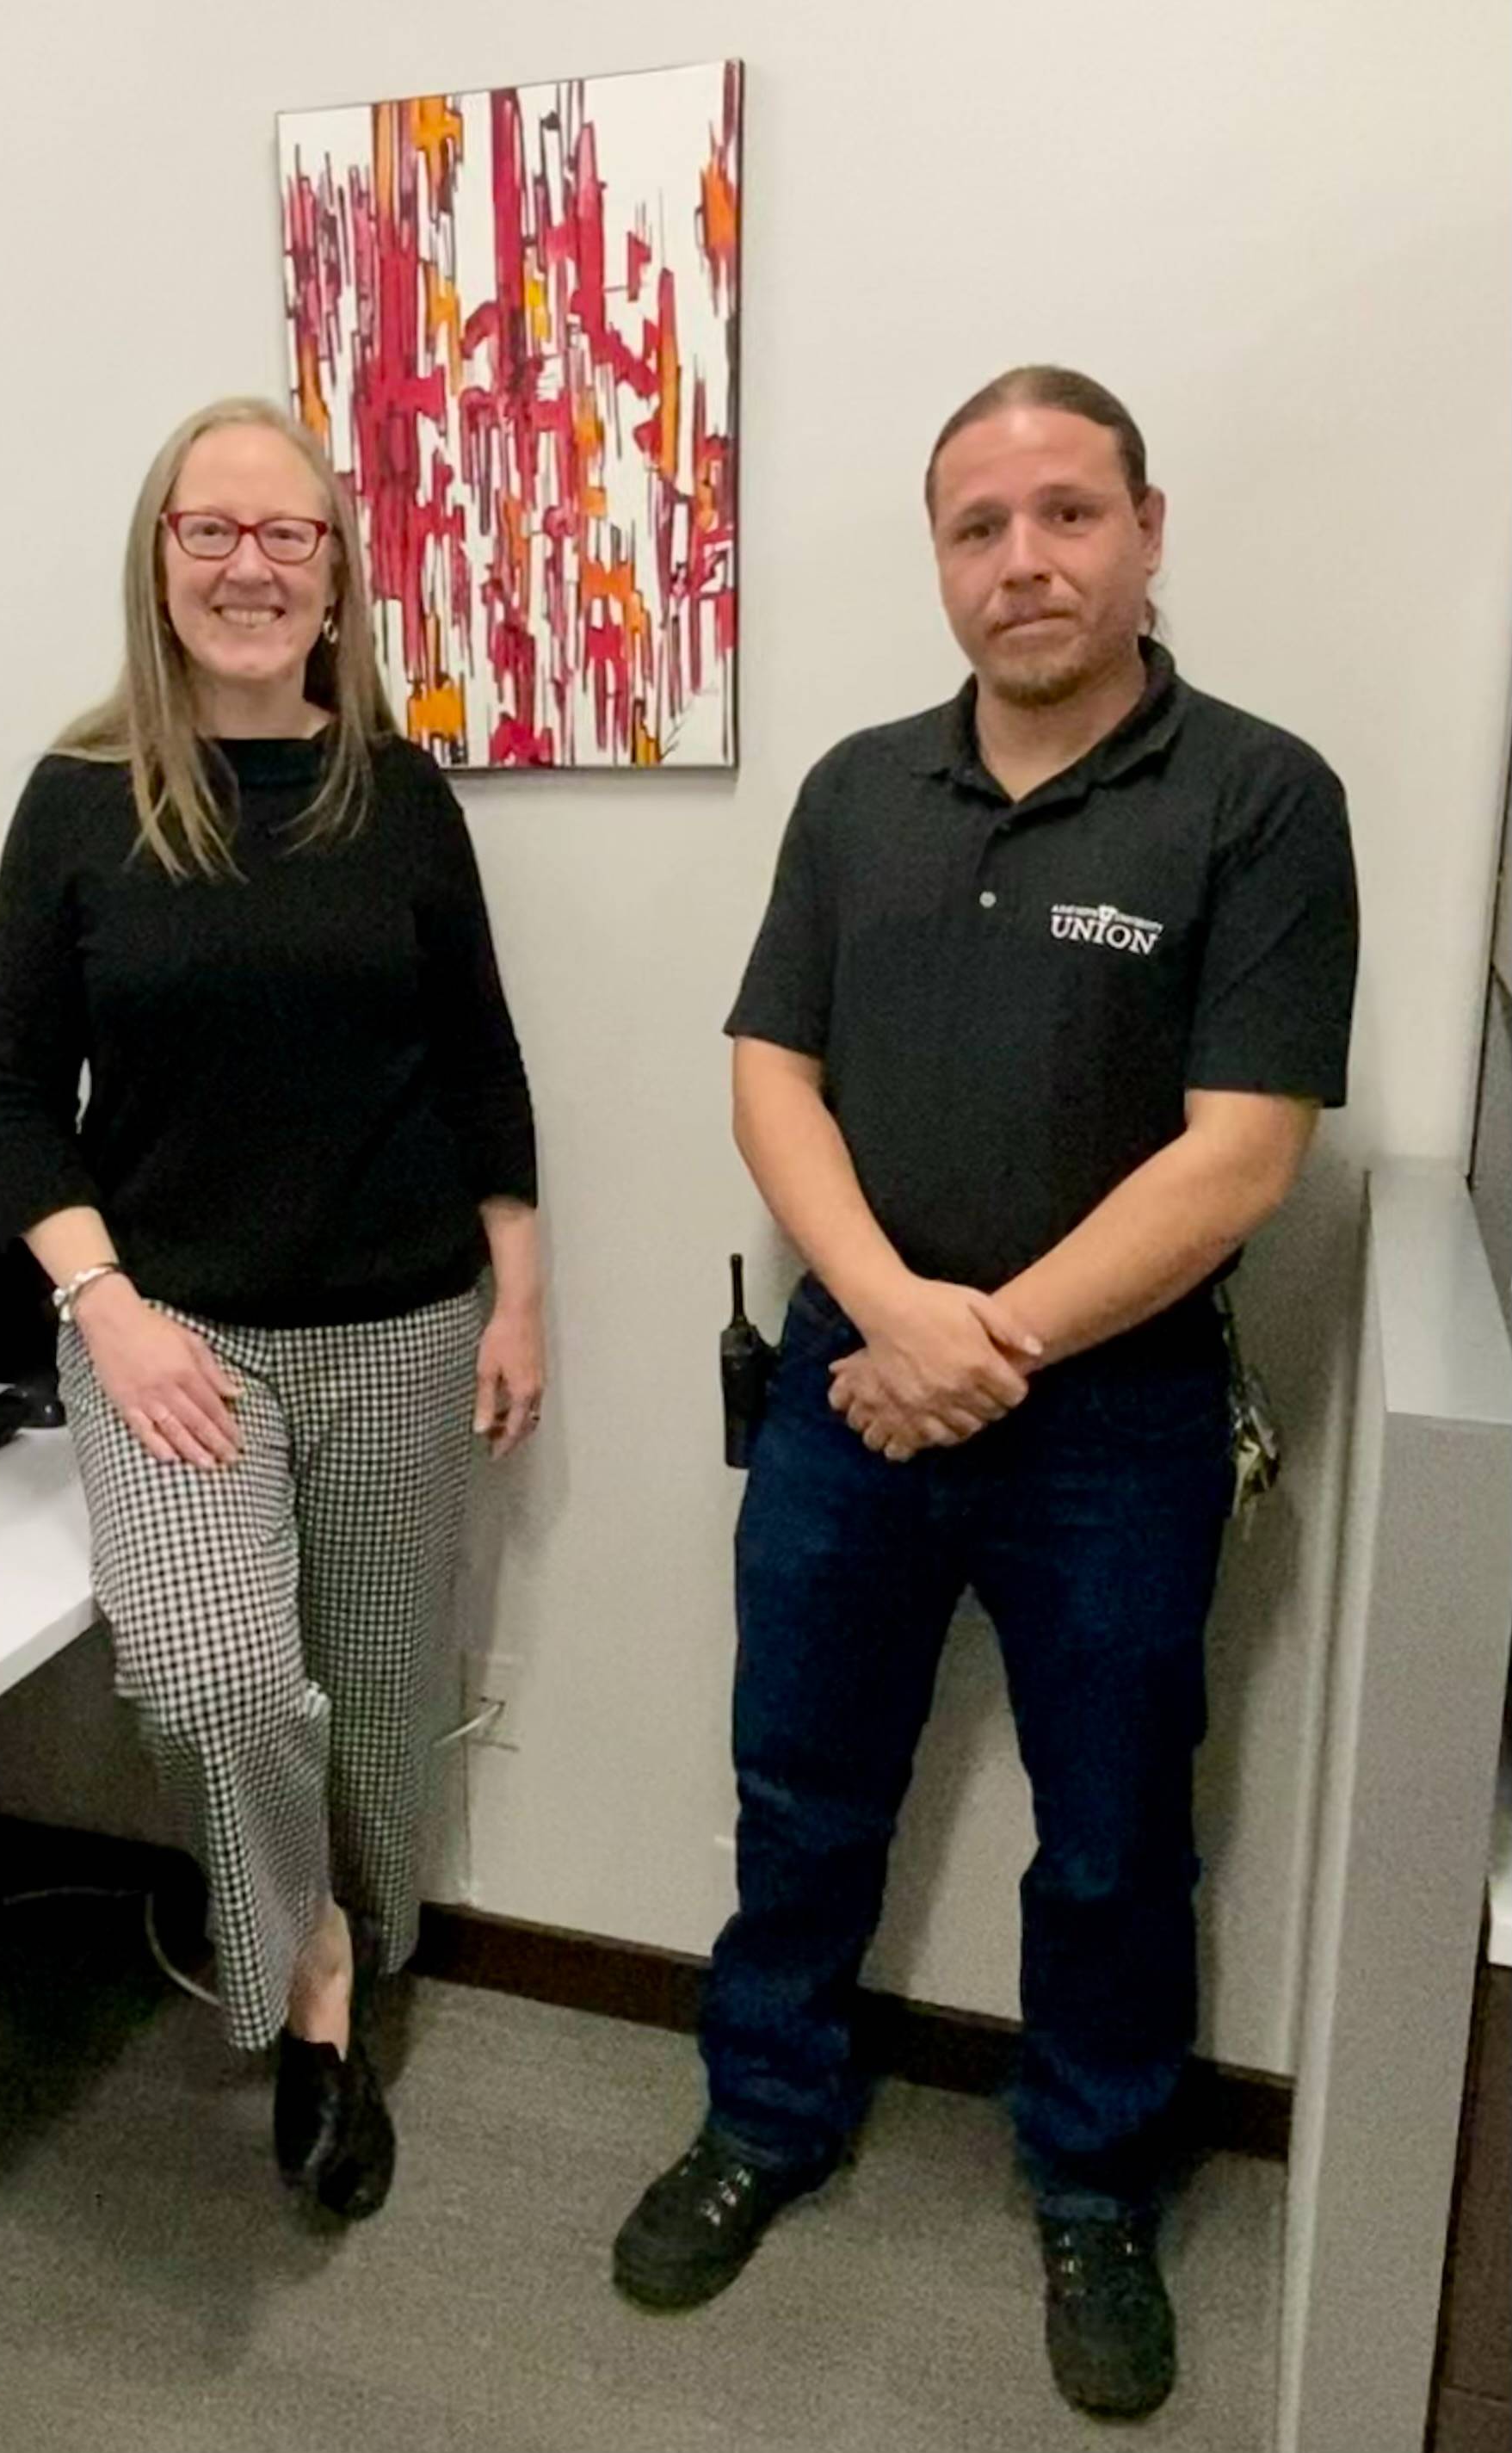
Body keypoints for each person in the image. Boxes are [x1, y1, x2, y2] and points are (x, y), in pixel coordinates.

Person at [612, 367, 1358, 2420]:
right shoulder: (857, 789)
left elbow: (1244, 1151)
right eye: (976, 524)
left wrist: (988, 1340)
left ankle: (1096, 2184)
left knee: (1112, 1836)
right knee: (798, 1785)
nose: (1022, 559)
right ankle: (764, 2116)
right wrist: (891, 1319)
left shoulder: (1259, 796)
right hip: (850, 1395)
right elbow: (772, 1070)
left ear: (1145, 529)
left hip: (1111, 1433)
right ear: (936, 556)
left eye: (1064, 513)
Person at [0, 395, 541, 2222]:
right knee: (221, 1680)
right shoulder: (76, 806)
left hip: (400, 1328)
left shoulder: (400, 791)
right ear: (158, 562)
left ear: (335, 570)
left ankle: (361, 1945)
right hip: (172, 1339)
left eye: (282, 534)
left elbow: (480, 1066)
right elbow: (3, 1102)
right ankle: (307, 1997)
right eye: (207, 532)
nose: (245, 565)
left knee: (378, 1714)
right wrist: (109, 1310)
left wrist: (519, 1297)